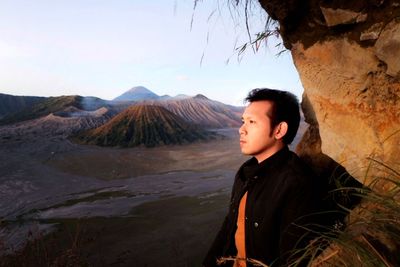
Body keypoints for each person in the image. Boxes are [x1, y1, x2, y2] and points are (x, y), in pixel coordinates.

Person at [203, 88, 321, 267]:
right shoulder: (245, 172)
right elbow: (230, 227)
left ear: (279, 130)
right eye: (243, 121)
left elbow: (294, 259)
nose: (241, 130)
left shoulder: (296, 183)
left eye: (252, 122)